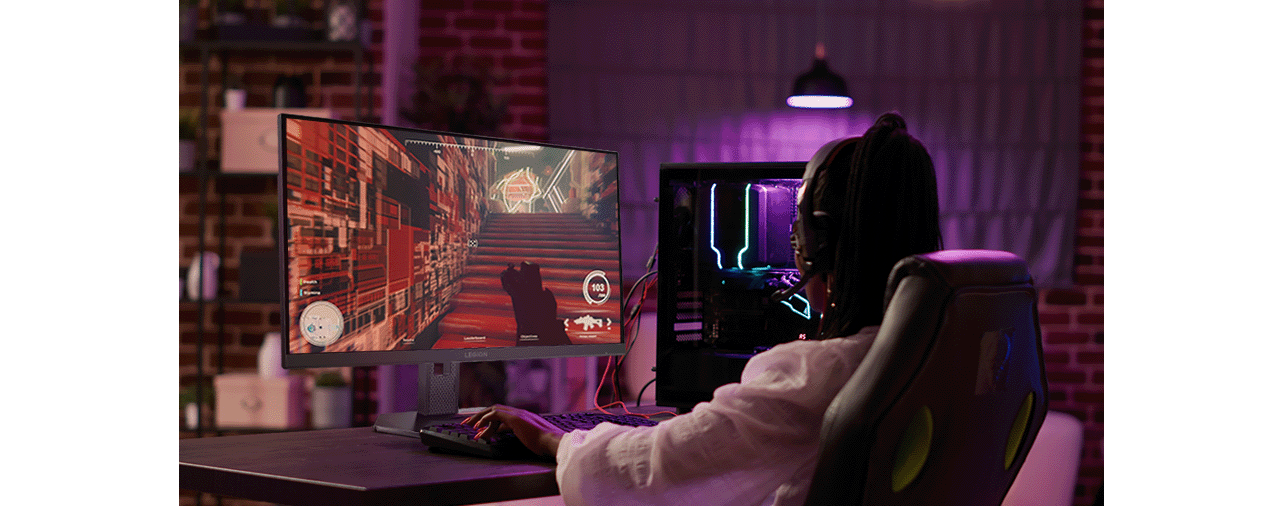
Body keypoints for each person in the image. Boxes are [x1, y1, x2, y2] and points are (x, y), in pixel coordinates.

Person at [464, 112, 943, 506]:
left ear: (817, 244)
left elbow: (650, 470)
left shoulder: (818, 377)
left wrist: (551, 438)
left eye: (797, 234)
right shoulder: (932, 356)